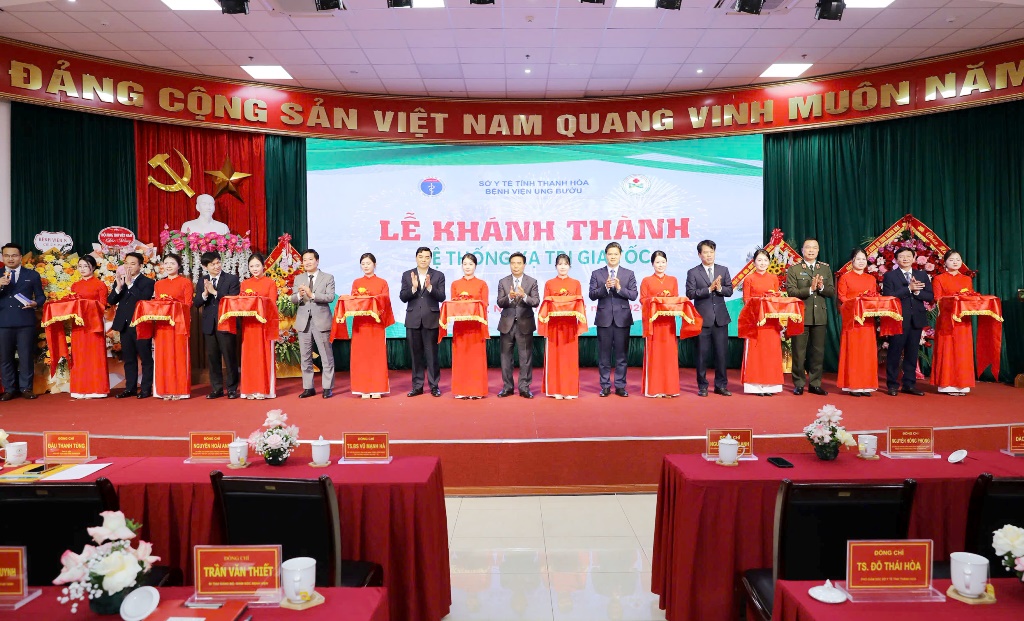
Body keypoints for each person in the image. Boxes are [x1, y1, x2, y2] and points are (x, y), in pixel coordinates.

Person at [882, 246, 934, 396]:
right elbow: (889, 296)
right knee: (894, 352)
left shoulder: (921, 275)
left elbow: (930, 296)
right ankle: (892, 385)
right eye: (902, 256)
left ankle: (909, 384)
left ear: (914, 258)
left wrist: (917, 292)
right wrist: (908, 289)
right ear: (896, 260)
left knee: (912, 353)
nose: (905, 259)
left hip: (916, 319)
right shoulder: (890, 276)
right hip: (898, 319)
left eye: (908, 256)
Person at [786, 238, 835, 396]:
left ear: (818, 250)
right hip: (800, 315)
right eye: (808, 247)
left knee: (818, 352)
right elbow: (791, 292)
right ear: (802, 250)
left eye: (814, 248)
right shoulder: (794, 269)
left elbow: (831, 291)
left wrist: (821, 287)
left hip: (819, 315)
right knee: (799, 352)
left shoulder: (825, 269)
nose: (811, 250)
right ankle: (799, 383)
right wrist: (810, 289)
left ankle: (815, 384)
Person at [589, 242, 638, 397]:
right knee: (604, 356)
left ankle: (620, 386)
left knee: (621, 355)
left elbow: (633, 295)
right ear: (605, 255)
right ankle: (605, 386)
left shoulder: (628, 273)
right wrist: (605, 287)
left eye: (615, 254)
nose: (613, 257)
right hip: (604, 319)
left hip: (622, 319)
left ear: (620, 255)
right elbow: (592, 295)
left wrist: (619, 288)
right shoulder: (597, 273)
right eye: (610, 254)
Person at [685, 240, 734, 397]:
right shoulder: (693, 272)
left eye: (711, 252)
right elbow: (690, 293)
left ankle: (721, 386)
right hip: (702, 319)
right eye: (705, 252)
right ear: (699, 254)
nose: (709, 255)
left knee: (721, 355)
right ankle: (703, 386)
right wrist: (708, 289)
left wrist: (719, 288)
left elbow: (730, 291)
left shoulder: (723, 270)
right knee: (702, 355)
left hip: (720, 319)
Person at [0, 243, 45, 400]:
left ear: (20, 257)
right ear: (2, 257)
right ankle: (9, 389)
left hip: (25, 321)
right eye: (6, 255)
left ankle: (26, 388)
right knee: (5, 358)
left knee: (26, 356)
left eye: (14, 255)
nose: (10, 258)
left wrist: (35, 303)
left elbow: (41, 296)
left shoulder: (32, 275)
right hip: (3, 322)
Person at [399, 247, 446, 397]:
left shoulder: (438, 275)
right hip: (413, 320)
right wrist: (413, 288)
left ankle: (434, 386)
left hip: (431, 319)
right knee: (415, 355)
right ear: (416, 258)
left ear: (430, 259)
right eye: (421, 256)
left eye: (427, 257)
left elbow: (442, 297)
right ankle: (417, 386)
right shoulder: (407, 275)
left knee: (432, 355)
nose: (423, 259)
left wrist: (430, 287)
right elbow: (403, 297)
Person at [107, 252, 155, 399]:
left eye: (132, 264)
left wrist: (130, 284)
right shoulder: (120, 280)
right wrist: (118, 287)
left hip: (141, 325)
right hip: (124, 325)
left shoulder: (148, 282)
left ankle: (146, 389)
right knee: (128, 358)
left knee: (145, 358)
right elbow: (111, 300)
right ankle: (130, 388)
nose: (128, 266)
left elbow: (143, 298)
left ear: (140, 266)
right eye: (126, 263)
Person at [193, 251, 240, 400]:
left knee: (229, 357)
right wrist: (205, 294)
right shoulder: (202, 280)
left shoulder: (231, 279)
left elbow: (233, 299)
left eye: (218, 262)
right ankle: (217, 388)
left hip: (226, 322)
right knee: (213, 358)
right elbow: (196, 303)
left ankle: (232, 389)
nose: (216, 266)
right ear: (205, 266)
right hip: (209, 324)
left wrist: (215, 292)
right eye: (212, 264)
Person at [291, 249, 336, 399]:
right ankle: (308, 387)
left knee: (326, 356)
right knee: (305, 356)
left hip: (321, 321)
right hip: (303, 322)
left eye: (310, 259)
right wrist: (299, 295)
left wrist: (312, 295)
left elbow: (330, 297)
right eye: (305, 260)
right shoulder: (299, 278)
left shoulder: (328, 277)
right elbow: (293, 299)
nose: (307, 262)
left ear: (317, 261)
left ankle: (327, 387)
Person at [350, 253, 395, 398]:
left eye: (368, 263)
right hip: (360, 323)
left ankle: (377, 388)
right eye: (363, 264)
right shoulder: (357, 282)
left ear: (375, 265)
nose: (366, 266)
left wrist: (373, 299)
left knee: (377, 355)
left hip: (376, 323)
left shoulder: (382, 282)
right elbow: (353, 301)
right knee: (361, 355)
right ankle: (362, 389)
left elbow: (386, 300)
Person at [836, 248, 880, 397]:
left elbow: (874, 297)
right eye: (858, 259)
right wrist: (856, 303)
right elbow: (842, 297)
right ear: (852, 261)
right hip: (852, 319)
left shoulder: (871, 279)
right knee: (853, 351)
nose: (861, 262)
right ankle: (853, 385)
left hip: (867, 320)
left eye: (863, 259)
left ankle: (866, 385)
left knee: (867, 352)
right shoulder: (845, 277)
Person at [930, 249, 974, 396]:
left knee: (962, 350)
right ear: (945, 262)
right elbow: (937, 299)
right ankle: (947, 384)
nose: (955, 262)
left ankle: (963, 384)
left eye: (958, 260)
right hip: (946, 319)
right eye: (951, 260)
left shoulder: (966, 279)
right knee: (947, 349)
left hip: (963, 320)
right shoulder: (939, 279)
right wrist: (954, 300)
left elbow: (970, 298)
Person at [740, 249, 783, 396]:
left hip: (771, 322)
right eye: (759, 260)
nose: (762, 263)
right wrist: (761, 300)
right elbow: (746, 300)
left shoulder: (773, 278)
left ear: (769, 262)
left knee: (770, 352)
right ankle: (755, 386)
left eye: (765, 260)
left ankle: (770, 386)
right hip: (755, 320)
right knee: (756, 353)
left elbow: (776, 298)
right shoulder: (749, 279)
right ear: (754, 262)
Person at [497, 252, 540, 399]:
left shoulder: (532, 282)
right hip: (507, 324)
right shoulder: (503, 282)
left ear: (524, 265)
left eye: (519, 263)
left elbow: (536, 302)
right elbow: (500, 302)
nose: (515, 266)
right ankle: (507, 387)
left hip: (525, 324)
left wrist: (524, 296)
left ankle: (524, 388)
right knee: (505, 357)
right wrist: (509, 297)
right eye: (513, 263)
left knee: (525, 357)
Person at [152, 254, 194, 399]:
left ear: (179, 266)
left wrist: (173, 304)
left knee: (179, 356)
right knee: (163, 357)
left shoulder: (185, 282)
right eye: (166, 263)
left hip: (179, 324)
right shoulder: (159, 284)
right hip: (162, 325)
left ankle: (180, 391)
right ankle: (164, 390)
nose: (168, 266)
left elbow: (188, 304)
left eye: (172, 263)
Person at [237, 253, 279, 399]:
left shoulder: (270, 283)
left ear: (263, 266)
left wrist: (259, 303)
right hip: (249, 325)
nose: (255, 269)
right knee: (249, 357)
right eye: (251, 266)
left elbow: (272, 304)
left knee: (263, 356)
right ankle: (249, 390)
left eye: (257, 265)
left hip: (264, 324)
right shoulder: (245, 284)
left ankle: (263, 390)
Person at [68, 256, 110, 399]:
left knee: (95, 355)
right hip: (79, 324)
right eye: (80, 266)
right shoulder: (75, 285)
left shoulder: (100, 285)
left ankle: (97, 389)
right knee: (79, 355)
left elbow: (103, 305)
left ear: (93, 267)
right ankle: (79, 389)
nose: (82, 269)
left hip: (94, 323)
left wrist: (85, 304)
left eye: (85, 266)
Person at [640, 251, 681, 398]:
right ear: (652, 264)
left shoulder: (673, 280)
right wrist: (655, 300)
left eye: (663, 262)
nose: (660, 265)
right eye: (657, 262)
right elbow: (642, 300)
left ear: (667, 263)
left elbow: (676, 299)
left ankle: (670, 388)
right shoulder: (646, 280)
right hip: (654, 323)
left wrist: (667, 300)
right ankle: (654, 389)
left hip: (668, 323)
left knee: (669, 355)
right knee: (655, 354)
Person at [542, 254, 583, 399]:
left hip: (570, 326)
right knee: (555, 357)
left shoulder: (576, 283)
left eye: (565, 264)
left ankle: (569, 390)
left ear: (569, 266)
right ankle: (555, 390)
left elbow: (579, 304)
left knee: (569, 357)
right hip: (554, 326)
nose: (563, 267)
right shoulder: (549, 283)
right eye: (560, 264)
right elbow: (545, 305)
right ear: (556, 266)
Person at [450, 253, 489, 399]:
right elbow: (453, 304)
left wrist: (471, 303)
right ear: (461, 266)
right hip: (460, 327)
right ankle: (461, 390)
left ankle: (476, 391)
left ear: (475, 266)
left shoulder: (482, 284)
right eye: (465, 264)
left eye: (471, 264)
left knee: (476, 358)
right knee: (461, 358)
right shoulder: (455, 284)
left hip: (476, 327)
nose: (467, 267)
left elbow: (485, 304)